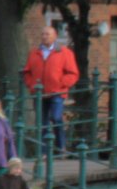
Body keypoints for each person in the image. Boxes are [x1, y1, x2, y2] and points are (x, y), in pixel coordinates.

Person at [21, 25, 80, 155]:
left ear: (55, 36)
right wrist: (31, 85)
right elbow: (27, 72)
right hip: (39, 93)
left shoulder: (65, 53)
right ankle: (43, 152)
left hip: (57, 92)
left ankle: (61, 147)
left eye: (47, 34)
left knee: (56, 117)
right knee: (42, 122)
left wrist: (61, 83)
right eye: (43, 34)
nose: (44, 37)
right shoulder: (34, 53)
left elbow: (73, 73)